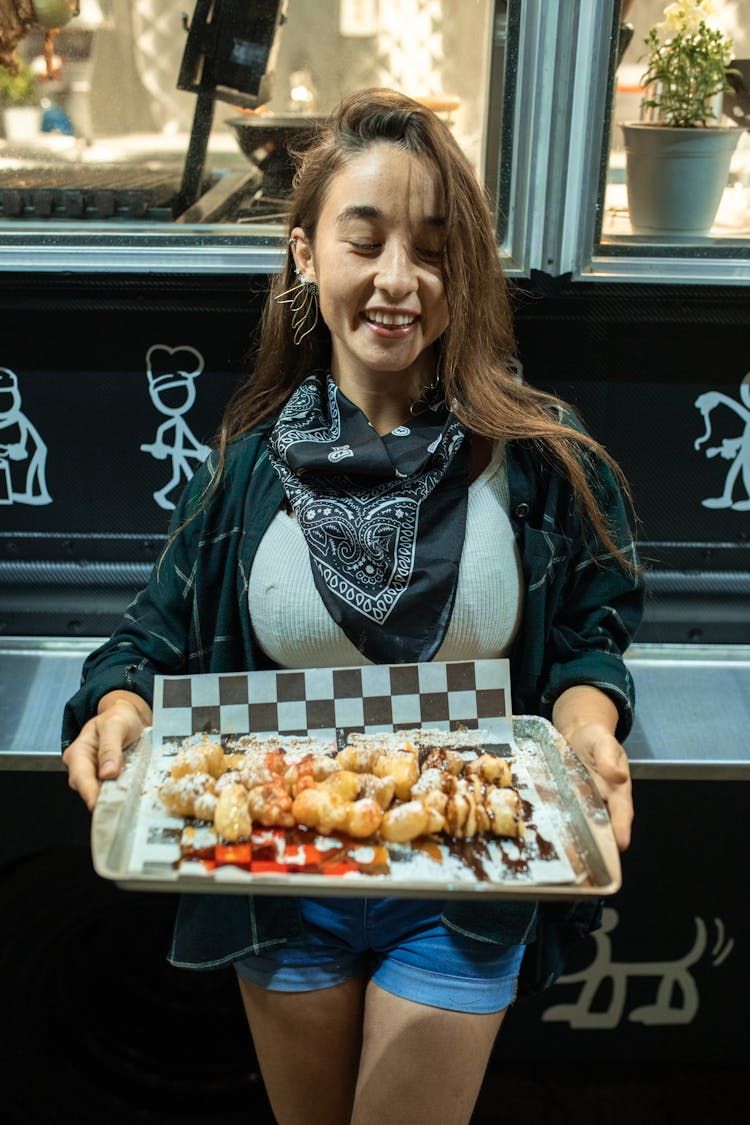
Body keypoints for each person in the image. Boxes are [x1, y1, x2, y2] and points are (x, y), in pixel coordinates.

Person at [62, 89, 644, 1125]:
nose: (397, 281)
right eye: (364, 241)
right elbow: (147, 640)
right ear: (303, 254)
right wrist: (118, 713)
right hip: (282, 864)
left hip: (471, 870)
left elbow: (590, 635)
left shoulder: (532, 456)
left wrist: (589, 728)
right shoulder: (250, 467)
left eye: (432, 249)